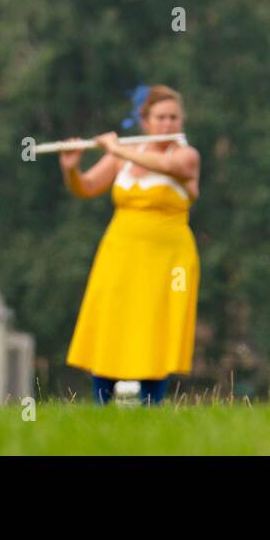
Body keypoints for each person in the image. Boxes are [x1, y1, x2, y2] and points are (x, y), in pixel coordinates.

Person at [61, 85, 201, 405]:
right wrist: (71, 168)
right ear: (146, 121)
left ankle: (152, 404)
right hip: (120, 252)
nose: (168, 124)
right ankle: (101, 404)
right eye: (161, 118)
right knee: (112, 321)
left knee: (155, 326)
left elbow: (169, 169)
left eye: (174, 118)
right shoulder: (123, 156)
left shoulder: (185, 155)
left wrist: (116, 148)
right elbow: (86, 187)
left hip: (168, 258)